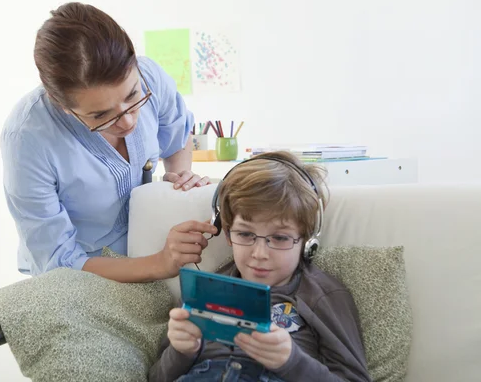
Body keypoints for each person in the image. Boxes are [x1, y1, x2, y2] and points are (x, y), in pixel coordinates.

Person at [0, 2, 212, 280]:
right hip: (85, 275)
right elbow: (58, 258)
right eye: (100, 114)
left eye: (133, 96)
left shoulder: (150, 76)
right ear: (61, 104)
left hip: (154, 252)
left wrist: (182, 180)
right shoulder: (28, 138)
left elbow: (177, 135)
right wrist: (159, 264)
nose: (127, 122)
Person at [149, 151, 371, 382]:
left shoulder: (322, 295)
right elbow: (157, 377)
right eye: (245, 234)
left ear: (306, 241)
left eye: (280, 238)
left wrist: (292, 361)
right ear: (227, 233)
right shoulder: (203, 291)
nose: (260, 254)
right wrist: (181, 352)